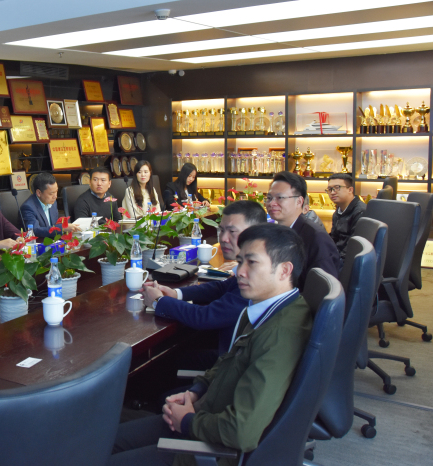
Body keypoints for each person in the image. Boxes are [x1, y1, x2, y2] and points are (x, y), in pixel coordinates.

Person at [108, 224, 312, 466]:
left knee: (103, 457)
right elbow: (228, 362)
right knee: (104, 443)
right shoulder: (265, 309)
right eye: (240, 262)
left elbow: (242, 431)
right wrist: (196, 391)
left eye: (252, 263)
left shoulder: (279, 335)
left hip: (212, 449)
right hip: (205, 414)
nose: (240, 272)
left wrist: (187, 422)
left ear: (284, 270)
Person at [140, 201, 266, 356]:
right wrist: (176, 294)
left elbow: (204, 317)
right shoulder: (250, 267)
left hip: (231, 363)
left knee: (167, 360)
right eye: (221, 230)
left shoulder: (256, 277)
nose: (224, 238)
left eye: (232, 231)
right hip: (229, 352)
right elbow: (221, 287)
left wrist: (158, 301)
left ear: (255, 233)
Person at [266, 171, 339, 289]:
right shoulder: (277, 231)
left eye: (280, 198)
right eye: (269, 198)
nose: (272, 203)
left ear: (299, 201)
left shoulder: (316, 238)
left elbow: (324, 289)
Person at [21, 173, 81, 239]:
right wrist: (62, 228)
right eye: (51, 193)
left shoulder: (52, 202)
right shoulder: (28, 207)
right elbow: (35, 231)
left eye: (56, 191)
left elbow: (55, 224)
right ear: (39, 193)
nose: (55, 196)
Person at [327, 173, 365, 268]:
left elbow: (354, 246)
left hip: (350, 263)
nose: (332, 192)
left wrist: (333, 261)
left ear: (350, 190)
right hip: (338, 257)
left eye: (337, 188)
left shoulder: (360, 212)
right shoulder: (338, 211)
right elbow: (334, 239)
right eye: (330, 189)